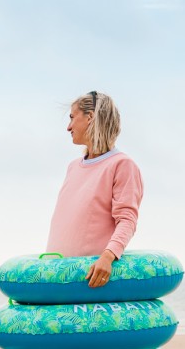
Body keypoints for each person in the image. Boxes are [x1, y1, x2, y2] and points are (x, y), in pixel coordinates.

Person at [46, 90, 144, 288]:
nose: (68, 127)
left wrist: (107, 257)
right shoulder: (73, 166)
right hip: (56, 275)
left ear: (90, 118)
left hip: (88, 278)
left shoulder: (121, 165)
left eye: (73, 118)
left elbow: (127, 220)